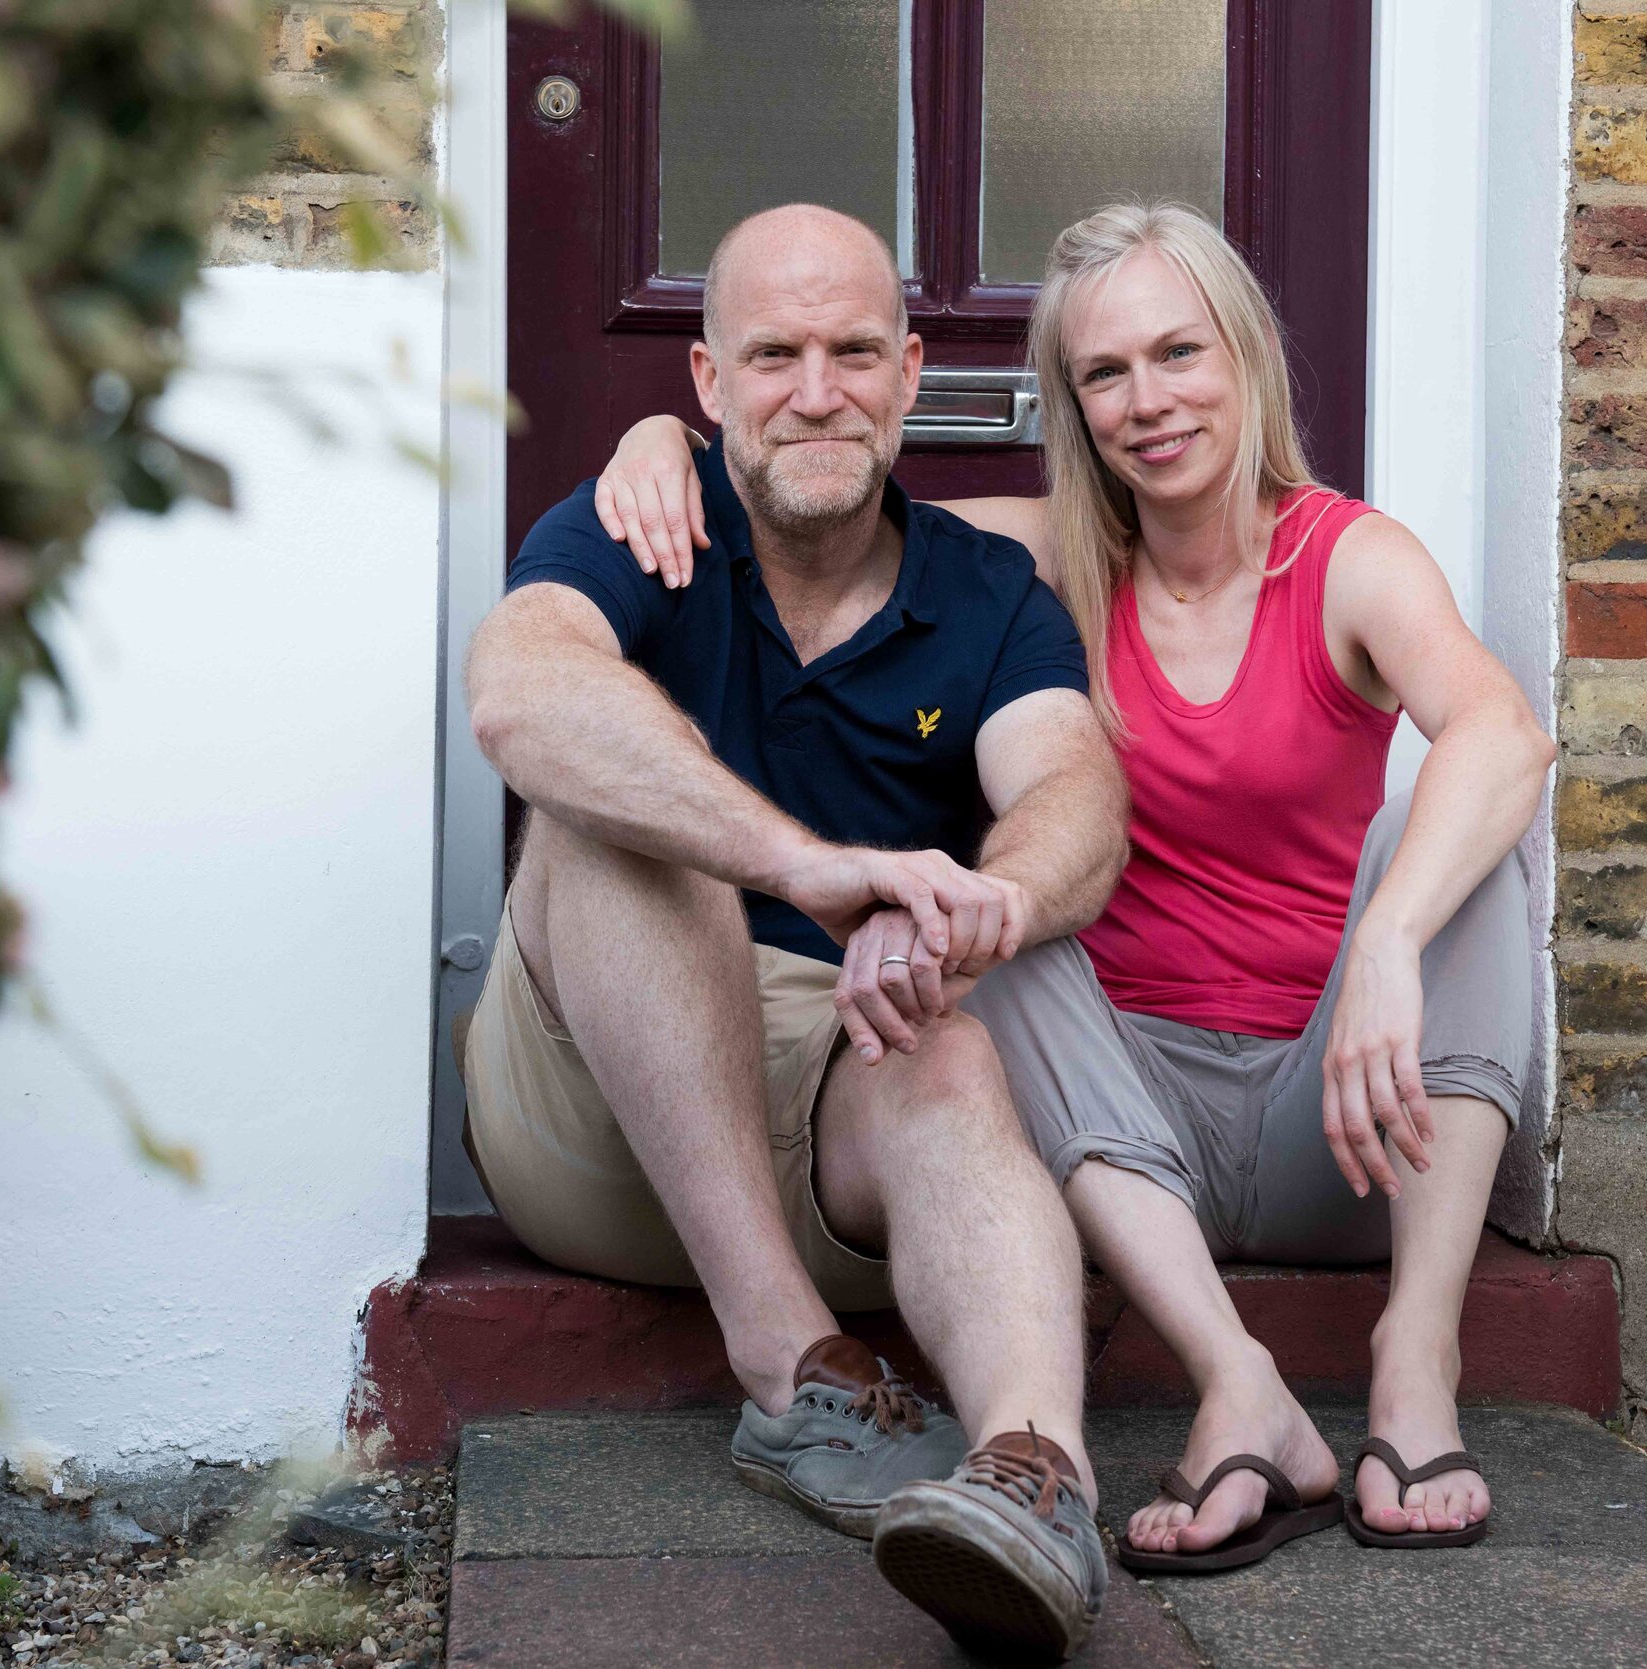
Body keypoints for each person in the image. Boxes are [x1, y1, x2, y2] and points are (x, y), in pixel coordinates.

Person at [592, 199, 1557, 1568]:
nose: (1149, 402)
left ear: (1246, 360)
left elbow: (1505, 731)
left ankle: (1415, 1356)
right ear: (1073, 402)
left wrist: (1390, 944)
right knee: (1010, 904)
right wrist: (656, 446)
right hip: (1115, 1143)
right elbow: (810, 497)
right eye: (1106, 374)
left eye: (1180, 354)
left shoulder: (1345, 556)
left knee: (1462, 853)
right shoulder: (1042, 558)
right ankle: (1241, 1381)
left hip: (1336, 1115)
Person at [461, 202, 1131, 1658]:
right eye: (773, 353)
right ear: (706, 386)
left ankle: (1033, 1484)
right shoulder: (646, 525)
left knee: (950, 1060)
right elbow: (516, 694)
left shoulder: (986, 592)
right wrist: (804, 862)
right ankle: (787, 1373)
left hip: (837, 1131)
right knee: (625, 823)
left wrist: (988, 902)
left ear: (908, 376)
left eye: (850, 351)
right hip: (590, 1125)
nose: (815, 390)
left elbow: (1075, 788)